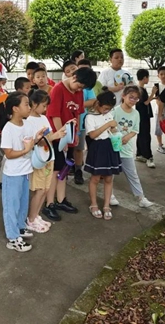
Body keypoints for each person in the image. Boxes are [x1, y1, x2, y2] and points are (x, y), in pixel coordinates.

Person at [43, 67, 97, 221]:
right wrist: (63, 138)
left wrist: (76, 133)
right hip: (57, 137)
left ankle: (61, 200)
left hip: (71, 136)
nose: (79, 90)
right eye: (79, 86)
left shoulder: (78, 92)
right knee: (55, 171)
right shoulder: (58, 89)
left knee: (64, 170)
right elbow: (55, 115)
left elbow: (77, 113)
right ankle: (49, 203)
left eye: (82, 88)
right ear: (74, 77)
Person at [0, 92, 46, 252]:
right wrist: (25, 150)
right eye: (26, 104)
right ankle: (12, 238)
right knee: (11, 206)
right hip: (12, 174)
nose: (29, 107)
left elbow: (31, 142)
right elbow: (9, 153)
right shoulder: (8, 129)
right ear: (15, 108)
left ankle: (19, 227)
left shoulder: (27, 124)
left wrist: (38, 137)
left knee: (23, 202)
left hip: (25, 171)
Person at [25, 90, 67, 233]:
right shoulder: (28, 121)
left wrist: (58, 133)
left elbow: (48, 136)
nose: (45, 109)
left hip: (49, 157)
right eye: (43, 105)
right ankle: (31, 219)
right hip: (39, 160)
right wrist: (55, 135)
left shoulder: (43, 118)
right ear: (34, 104)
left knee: (46, 189)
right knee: (39, 190)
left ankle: (36, 215)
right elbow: (38, 142)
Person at [113, 85, 153, 207]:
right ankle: (110, 196)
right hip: (113, 148)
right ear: (123, 96)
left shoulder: (136, 113)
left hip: (127, 149)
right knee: (110, 175)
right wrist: (118, 136)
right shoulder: (115, 111)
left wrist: (127, 137)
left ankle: (141, 198)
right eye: (131, 97)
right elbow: (110, 126)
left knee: (133, 174)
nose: (133, 100)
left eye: (136, 98)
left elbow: (135, 129)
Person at [85, 90, 122, 220]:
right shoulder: (90, 117)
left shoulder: (109, 114)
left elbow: (113, 130)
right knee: (95, 178)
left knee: (109, 178)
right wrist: (107, 125)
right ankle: (94, 204)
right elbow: (92, 135)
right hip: (98, 147)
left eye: (109, 109)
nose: (107, 111)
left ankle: (106, 205)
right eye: (105, 108)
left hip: (110, 146)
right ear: (98, 104)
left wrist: (114, 128)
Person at [73, 61, 97, 185]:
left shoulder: (86, 88)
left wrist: (78, 106)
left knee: (79, 148)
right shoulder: (68, 86)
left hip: (81, 122)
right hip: (67, 123)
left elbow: (93, 100)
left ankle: (78, 170)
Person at [135, 69, 156, 168]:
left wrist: (152, 97)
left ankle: (139, 154)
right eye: (148, 77)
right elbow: (145, 103)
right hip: (143, 116)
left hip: (141, 116)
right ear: (144, 78)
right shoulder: (140, 90)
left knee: (141, 135)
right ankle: (148, 157)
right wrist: (153, 93)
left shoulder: (139, 89)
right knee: (146, 136)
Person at [154, 66, 165, 155]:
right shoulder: (157, 86)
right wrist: (162, 110)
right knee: (159, 130)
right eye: (161, 74)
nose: (164, 76)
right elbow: (157, 100)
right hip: (159, 112)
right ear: (158, 76)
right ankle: (160, 145)